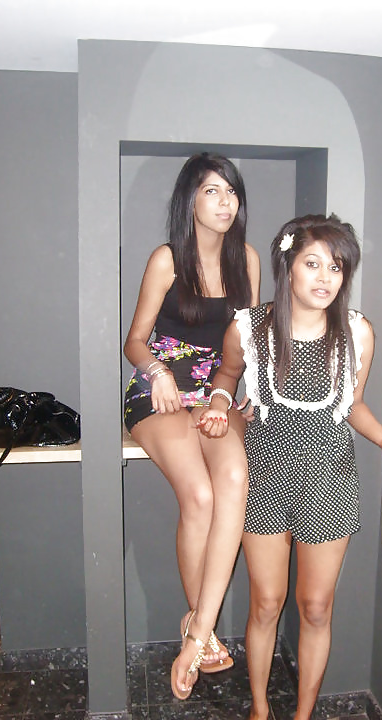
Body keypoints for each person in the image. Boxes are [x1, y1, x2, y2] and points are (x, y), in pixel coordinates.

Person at [196, 214, 382, 720]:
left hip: (330, 478)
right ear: (289, 266)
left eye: (337, 267)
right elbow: (227, 375)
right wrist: (218, 403)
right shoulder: (248, 326)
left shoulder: (357, 332)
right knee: (266, 603)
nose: (325, 277)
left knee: (317, 608)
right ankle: (260, 710)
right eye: (313, 263)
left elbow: (353, 404)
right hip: (265, 475)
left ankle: (302, 715)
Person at [123, 152, 260, 699]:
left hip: (216, 394)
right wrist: (155, 372)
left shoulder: (246, 259)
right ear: (190, 199)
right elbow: (134, 340)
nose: (226, 202)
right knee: (200, 496)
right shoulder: (167, 259)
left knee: (235, 482)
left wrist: (244, 393)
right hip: (160, 391)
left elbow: (248, 340)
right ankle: (199, 624)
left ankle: (196, 630)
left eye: (232, 192)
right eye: (212, 191)